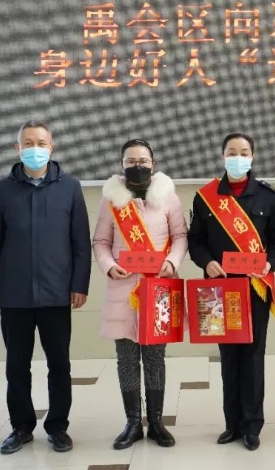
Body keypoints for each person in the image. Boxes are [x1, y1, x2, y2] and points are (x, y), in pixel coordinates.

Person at [0, 121, 91, 455]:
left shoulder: (70, 187)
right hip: (14, 295)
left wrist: (79, 284)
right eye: (28, 143)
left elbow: (80, 243)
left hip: (57, 293)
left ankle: (57, 427)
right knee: (16, 366)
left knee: (59, 364)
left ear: (51, 147)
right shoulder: (3, 189)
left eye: (41, 143)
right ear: (18, 148)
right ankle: (21, 427)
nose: (34, 148)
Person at [187, 133, 275, 451]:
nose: (238, 157)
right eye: (232, 152)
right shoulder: (205, 198)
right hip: (218, 289)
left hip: (256, 287)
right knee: (228, 357)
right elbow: (195, 240)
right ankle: (232, 424)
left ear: (252, 157)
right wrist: (207, 262)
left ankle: (252, 425)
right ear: (223, 157)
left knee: (253, 356)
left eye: (244, 152)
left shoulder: (269, 197)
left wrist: (270, 263)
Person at [92, 139, 188, 450]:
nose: (138, 166)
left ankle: (156, 422)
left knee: (155, 358)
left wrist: (172, 262)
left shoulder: (168, 196)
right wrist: (109, 266)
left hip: (158, 287)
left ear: (153, 163)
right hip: (122, 289)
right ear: (122, 165)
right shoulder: (111, 200)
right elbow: (100, 242)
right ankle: (133, 423)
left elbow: (180, 236)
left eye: (143, 161)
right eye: (131, 161)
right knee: (127, 358)